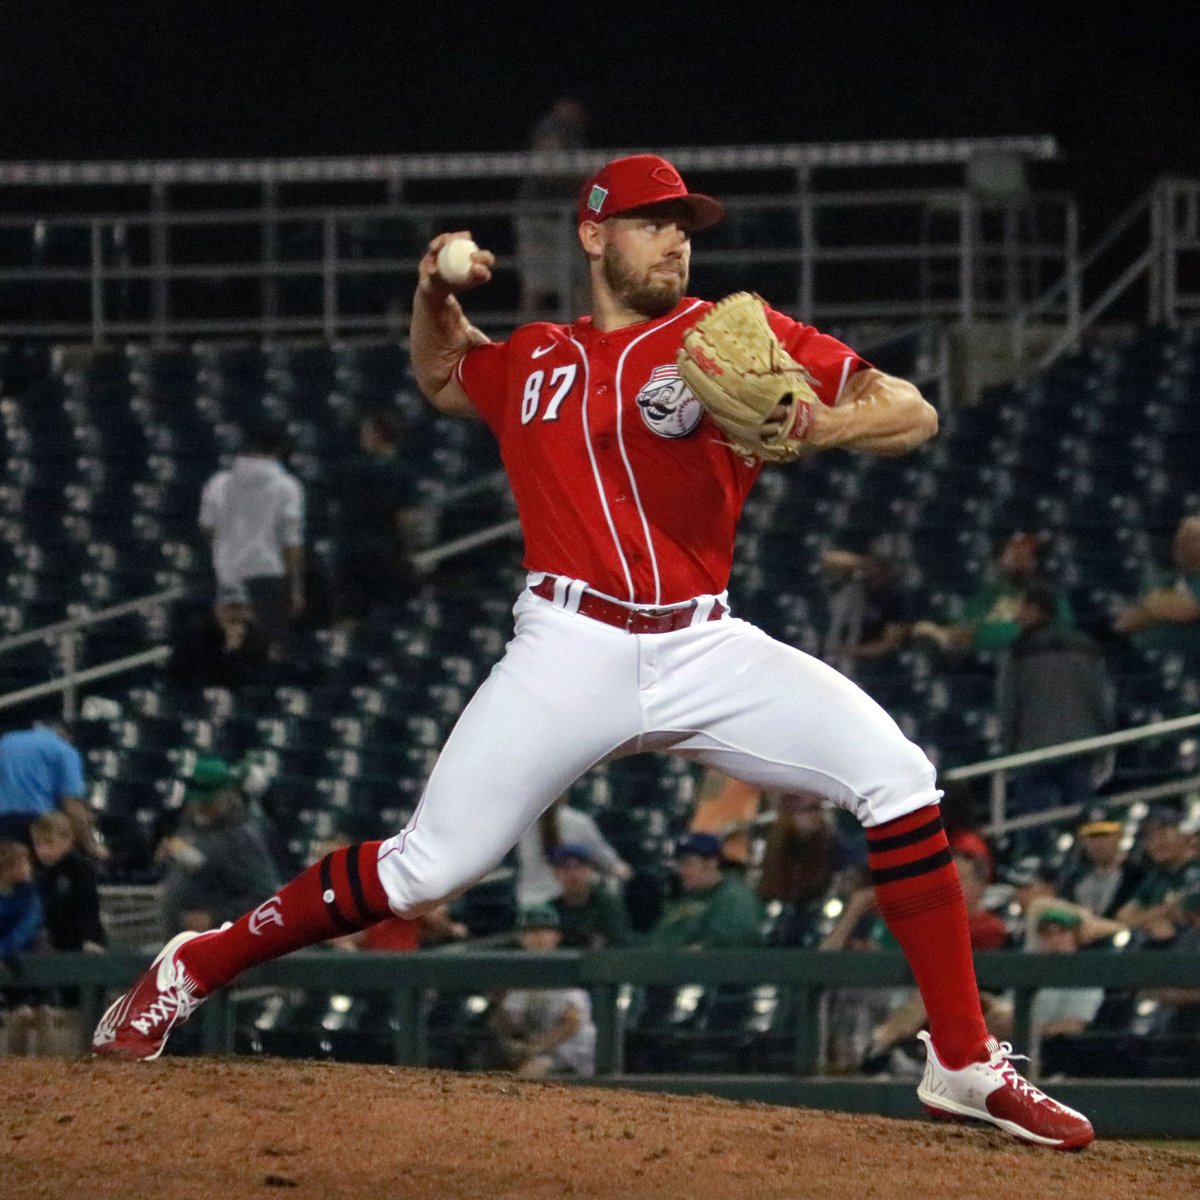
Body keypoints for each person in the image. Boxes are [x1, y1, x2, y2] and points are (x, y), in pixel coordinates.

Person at [94, 152, 1092, 1149]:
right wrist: (431, 284)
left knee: (902, 779)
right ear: (592, 235)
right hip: (568, 648)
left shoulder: (724, 335)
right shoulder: (531, 359)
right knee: (421, 872)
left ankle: (961, 1062)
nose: (675, 238)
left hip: (705, 642)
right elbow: (443, 373)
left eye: (684, 223)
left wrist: (822, 421)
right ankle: (195, 963)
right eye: (652, 221)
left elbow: (910, 409)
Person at [996, 583, 1114, 822]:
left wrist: (1008, 750)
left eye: (1025, 608)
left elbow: (1008, 707)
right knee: (1085, 817)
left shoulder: (1018, 653)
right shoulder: (1086, 646)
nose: (1019, 615)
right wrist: (1104, 741)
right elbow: (1102, 698)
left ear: (1040, 610)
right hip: (1080, 745)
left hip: (1034, 751)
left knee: (1034, 823)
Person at [199, 418, 305, 655]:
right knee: (264, 649)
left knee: (224, 647)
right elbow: (291, 542)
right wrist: (296, 587)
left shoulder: (218, 483)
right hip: (266, 577)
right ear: (279, 448)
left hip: (224, 574)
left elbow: (208, 528)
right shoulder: (287, 487)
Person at [156, 756, 282, 935]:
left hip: (221, 946)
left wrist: (216, 918)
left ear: (226, 795)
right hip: (180, 943)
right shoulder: (191, 823)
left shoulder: (241, 837)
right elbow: (201, 868)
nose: (198, 807)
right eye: (194, 801)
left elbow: (264, 899)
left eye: (206, 802)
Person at [328, 406, 421, 625]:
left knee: (349, 614)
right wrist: (410, 550)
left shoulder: (349, 469)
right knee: (385, 616)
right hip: (385, 552)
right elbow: (405, 518)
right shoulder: (403, 472)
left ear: (377, 435)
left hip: (350, 551)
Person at [484, 903, 596, 1078]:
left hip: (575, 1049)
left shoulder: (567, 967)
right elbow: (507, 1027)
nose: (538, 936)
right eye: (531, 931)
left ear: (557, 936)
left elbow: (571, 1022)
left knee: (527, 1076)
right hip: (541, 1051)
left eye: (545, 931)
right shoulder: (518, 976)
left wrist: (533, 1048)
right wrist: (498, 1002)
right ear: (521, 938)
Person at [912, 532, 1072, 654]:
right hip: (976, 664)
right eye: (1015, 553)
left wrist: (980, 637)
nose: (1022, 559)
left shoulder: (1049, 596)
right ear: (1000, 560)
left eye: (1027, 555)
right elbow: (963, 628)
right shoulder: (988, 596)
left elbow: (1062, 636)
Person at [516, 98, 588, 315]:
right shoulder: (550, 127)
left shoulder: (574, 132)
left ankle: (585, 339)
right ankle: (522, 343)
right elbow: (549, 166)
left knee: (580, 280)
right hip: (538, 218)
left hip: (563, 220)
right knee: (537, 285)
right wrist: (584, 178)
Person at [0, 721, 103, 858]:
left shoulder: (6, 742)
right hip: (41, 827)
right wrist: (91, 847)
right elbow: (71, 804)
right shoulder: (65, 750)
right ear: (69, 736)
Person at [644, 832, 764, 950]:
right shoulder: (686, 898)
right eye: (679, 864)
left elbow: (729, 944)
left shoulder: (734, 898)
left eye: (688, 863)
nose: (681, 871)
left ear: (711, 863)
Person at [516, 795, 631, 907]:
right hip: (572, 901)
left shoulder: (521, 822)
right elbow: (606, 859)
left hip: (530, 899)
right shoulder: (578, 821)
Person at [1114, 804, 1200, 947]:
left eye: (1162, 834)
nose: (1155, 844)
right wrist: (1155, 919)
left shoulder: (1196, 868)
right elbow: (1123, 915)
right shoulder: (1156, 876)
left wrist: (1145, 917)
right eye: (1149, 838)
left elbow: (1184, 910)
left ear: (1184, 834)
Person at [1112, 514, 1200, 653]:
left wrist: (1151, 606)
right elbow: (1123, 624)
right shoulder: (1163, 579)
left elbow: (1189, 608)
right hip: (1147, 658)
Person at [820, 545, 911, 674]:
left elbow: (888, 644)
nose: (871, 569)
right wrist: (862, 563)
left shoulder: (895, 596)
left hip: (873, 663)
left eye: (878, 565)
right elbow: (828, 559)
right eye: (870, 564)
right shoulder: (856, 585)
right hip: (840, 647)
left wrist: (849, 651)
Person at [167, 585, 272, 691]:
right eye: (229, 608)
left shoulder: (257, 636)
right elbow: (197, 676)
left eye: (240, 608)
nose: (235, 614)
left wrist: (235, 652)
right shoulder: (197, 635)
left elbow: (258, 678)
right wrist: (228, 650)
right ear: (216, 610)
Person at [30, 811, 106, 953]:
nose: (43, 850)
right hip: (51, 941)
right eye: (38, 844)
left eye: (49, 843)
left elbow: (88, 906)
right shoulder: (37, 872)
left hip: (81, 941)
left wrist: (87, 939)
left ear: (67, 841)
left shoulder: (80, 869)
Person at [1057, 806, 1146, 921]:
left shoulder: (1138, 874)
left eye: (1105, 835)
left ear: (1119, 835)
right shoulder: (1074, 880)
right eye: (1092, 836)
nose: (1098, 843)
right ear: (1082, 840)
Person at [549, 844, 633, 949]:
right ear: (556, 873)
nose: (573, 874)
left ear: (590, 870)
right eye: (565, 868)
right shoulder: (550, 909)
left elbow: (618, 943)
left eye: (579, 867)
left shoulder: (608, 906)